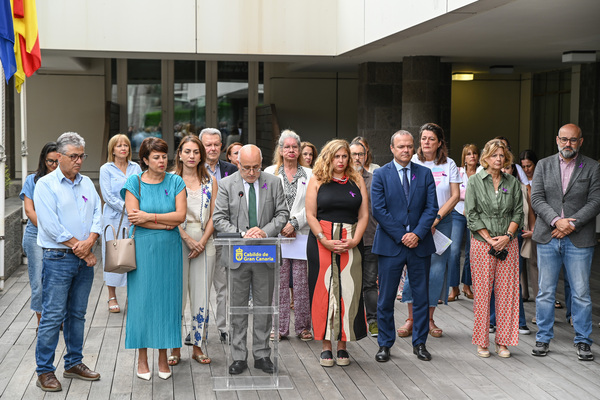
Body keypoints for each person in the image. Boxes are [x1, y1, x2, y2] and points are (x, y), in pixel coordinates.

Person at [34, 132, 102, 392]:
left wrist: (91, 239)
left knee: (77, 314)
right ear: (59, 156)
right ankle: (44, 371)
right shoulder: (45, 185)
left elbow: (97, 212)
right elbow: (50, 226)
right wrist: (83, 249)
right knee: (52, 316)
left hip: (82, 259)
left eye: (82, 156)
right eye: (73, 156)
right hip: (58, 258)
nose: (79, 161)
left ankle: (74, 363)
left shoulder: (86, 183)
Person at [212, 144, 289, 375]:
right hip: (237, 255)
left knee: (264, 307)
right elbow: (219, 218)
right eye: (246, 168)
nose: (252, 172)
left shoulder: (273, 182)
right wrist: (242, 234)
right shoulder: (227, 184)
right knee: (237, 308)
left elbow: (282, 214)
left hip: (265, 254)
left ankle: (262, 354)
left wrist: (264, 231)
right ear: (238, 163)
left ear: (262, 163)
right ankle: (238, 356)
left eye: (256, 167)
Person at [530, 123, 600, 361]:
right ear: (557, 140)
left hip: (579, 238)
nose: (567, 144)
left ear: (581, 142)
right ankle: (543, 337)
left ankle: (583, 341)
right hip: (548, 236)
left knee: (581, 293)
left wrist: (571, 225)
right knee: (545, 292)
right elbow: (536, 198)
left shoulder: (592, 167)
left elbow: (596, 201)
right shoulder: (543, 165)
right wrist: (556, 221)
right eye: (564, 139)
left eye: (573, 140)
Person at [122, 137, 187, 380]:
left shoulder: (176, 180)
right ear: (145, 160)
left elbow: (180, 216)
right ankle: (142, 358)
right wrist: (164, 223)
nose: (162, 161)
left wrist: (150, 217)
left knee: (167, 303)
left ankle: (162, 357)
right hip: (142, 248)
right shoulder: (134, 182)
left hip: (169, 251)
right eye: (156, 157)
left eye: (164, 156)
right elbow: (134, 218)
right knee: (142, 302)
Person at [372, 130, 438, 363]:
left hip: (420, 244)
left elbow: (432, 208)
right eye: (401, 146)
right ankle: (384, 343)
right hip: (391, 245)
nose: (406, 150)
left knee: (421, 296)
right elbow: (378, 210)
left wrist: (417, 234)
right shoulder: (380, 174)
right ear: (392, 148)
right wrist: (402, 236)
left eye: (409, 146)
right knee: (386, 297)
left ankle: (420, 343)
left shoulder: (425, 173)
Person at [306, 139, 369, 367]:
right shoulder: (317, 179)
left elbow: (363, 215)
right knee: (324, 292)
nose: (341, 161)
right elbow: (310, 214)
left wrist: (355, 240)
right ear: (328, 157)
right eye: (336, 157)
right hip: (321, 242)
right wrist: (324, 240)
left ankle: (343, 345)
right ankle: (325, 346)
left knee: (349, 292)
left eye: (344, 157)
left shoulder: (356, 179)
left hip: (351, 243)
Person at [397, 123, 459, 339]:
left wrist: (436, 219)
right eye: (423, 138)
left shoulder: (449, 164)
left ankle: (429, 319)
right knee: (414, 267)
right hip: (416, 223)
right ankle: (411, 318)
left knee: (436, 271)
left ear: (440, 142)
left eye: (431, 139)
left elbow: (454, 195)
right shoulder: (412, 161)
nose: (426, 142)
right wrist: (424, 223)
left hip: (442, 222)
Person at [465, 139, 523, 358]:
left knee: (507, 294)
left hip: (509, 243)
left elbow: (518, 212)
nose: (498, 159)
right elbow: (471, 214)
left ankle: (503, 342)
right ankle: (482, 342)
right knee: (482, 294)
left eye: (502, 155)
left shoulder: (512, 182)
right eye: (494, 155)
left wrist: (507, 236)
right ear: (485, 158)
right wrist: (490, 239)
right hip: (482, 244)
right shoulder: (475, 181)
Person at [169, 135, 218, 366]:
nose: (191, 156)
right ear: (179, 154)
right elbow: (168, 213)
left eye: (196, 152)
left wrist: (203, 240)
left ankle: (197, 346)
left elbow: (215, 215)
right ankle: (174, 347)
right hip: (177, 238)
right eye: (187, 151)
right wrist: (187, 238)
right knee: (176, 295)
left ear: (201, 155)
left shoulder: (210, 181)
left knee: (202, 295)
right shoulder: (171, 180)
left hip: (205, 240)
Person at [264, 130, 313, 341]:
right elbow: (266, 204)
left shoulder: (310, 174)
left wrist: (294, 223)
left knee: (302, 283)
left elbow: (313, 204)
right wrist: (282, 224)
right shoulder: (269, 172)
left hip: (301, 234)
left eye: (295, 147)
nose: (291, 150)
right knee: (278, 284)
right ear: (280, 150)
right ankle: (278, 328)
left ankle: (303, 327)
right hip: (277, 235)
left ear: (299, 150)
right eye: (287, 147)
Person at [200, 128, 238, 344]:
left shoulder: (232, 169)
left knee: (223, 286)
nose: (212, 148)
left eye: (216, 144)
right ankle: (200, 328)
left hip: (224, 236)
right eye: (208, 145)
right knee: (201, 285)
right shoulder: (193, 170)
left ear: (221, 146)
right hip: (200, 237)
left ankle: (224, 328)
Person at [99, 134, 142, 314]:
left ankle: (133, 296)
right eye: (119, 146)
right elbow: (108, 196)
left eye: (125, 145)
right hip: (113, 218)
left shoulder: (135, 167)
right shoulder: (106, 169)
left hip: (133, 218)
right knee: (113, 255)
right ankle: (112, 296)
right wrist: (128, 208)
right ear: (112, 150)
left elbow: (140, 190)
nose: (123, 148)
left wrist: (134, 211)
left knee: (133, 255)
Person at [20, 142, 59, 328]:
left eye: (57, 161)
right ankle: (41, 320)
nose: (54, 165)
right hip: (36, 233)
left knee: (57, 278)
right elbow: (29, 211)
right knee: (38, 280)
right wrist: (48, 228)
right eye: (50, 161)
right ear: (43, 160)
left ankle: (57, 317)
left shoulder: (65, 180)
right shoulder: (32, 180)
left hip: (59, 235)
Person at [349, 139, 379, 337]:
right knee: (350, 282)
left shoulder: (375, 179)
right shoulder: (342, 180)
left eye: (361, 154)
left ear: (366, 156)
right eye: (354, 154)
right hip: (347, 240)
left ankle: (373, 321)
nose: (357, 158)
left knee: (369, 283)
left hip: (369, 238)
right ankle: (352, 320)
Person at [448, 144, 478, 301]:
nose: (472, 156)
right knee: (454, 251)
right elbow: (453, 193)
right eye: (468, 154)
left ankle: (467, 286)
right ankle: (454, 288)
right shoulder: (458, 172)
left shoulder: (481, 172)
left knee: (471, 251)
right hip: (458, 213)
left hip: (476, 215)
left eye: (474, 153)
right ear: (464, 158)